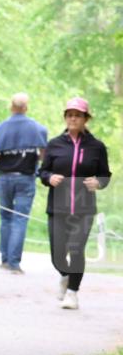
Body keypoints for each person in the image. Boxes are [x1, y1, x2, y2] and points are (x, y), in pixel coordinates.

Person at [38, 97, 112, 310]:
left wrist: (98, 183)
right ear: (65, 117)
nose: (73, 119)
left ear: (85, 119)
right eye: (70, 115)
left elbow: (105, 175)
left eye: (78, 115)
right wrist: (49, 177)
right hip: (58, 207)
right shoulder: (54, 144)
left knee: (77, 249)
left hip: (84, 208)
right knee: (57, 255)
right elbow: (43, 171)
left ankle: (72, 293)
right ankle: (65, 276)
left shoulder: (97, 147)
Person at [0, 92, 47, 275]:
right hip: (25, 178)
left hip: (5, 178)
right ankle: (14, 264)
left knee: (5, 217)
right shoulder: (38, 129)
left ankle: (5, 260)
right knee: (20, 219)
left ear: (11, 107)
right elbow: (44, 156)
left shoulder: (0, 128)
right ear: (26, 107)